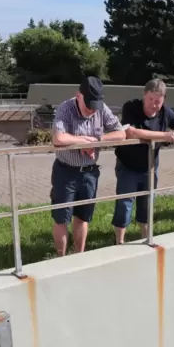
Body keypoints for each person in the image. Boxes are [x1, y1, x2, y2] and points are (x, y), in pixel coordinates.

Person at [51, 76, 125, 256]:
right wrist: (83, 141)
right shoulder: (65, 108)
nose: (92, 111)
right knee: (61, 218)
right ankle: (61, 259)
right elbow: (58, 138)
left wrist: (98, 141)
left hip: (89, 174)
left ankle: (79, 255)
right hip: (65, 171)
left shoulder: (101, 109)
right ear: (79, 96)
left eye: (95, 107)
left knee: (83, 217)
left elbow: (121, 133)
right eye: (88, 105)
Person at [113, 78, 174, 244]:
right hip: (128, 165)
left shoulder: (166, 112)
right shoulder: (131, 107)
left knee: (147, 203)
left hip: (150, 167)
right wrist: (166, 135)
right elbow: (131, 132)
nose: (154, 104)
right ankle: (119, 242)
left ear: (164, 99)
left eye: (158, 101)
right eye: (150, 99)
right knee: (124, 204)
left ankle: (146, 238)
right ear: (144, 95)